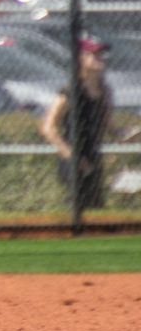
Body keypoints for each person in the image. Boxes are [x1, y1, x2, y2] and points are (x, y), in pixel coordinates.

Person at [38, 36, 124, 212]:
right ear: (81, 59)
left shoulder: (104, 90)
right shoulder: (71, 91)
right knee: (78, 208)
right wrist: (72, 156)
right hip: (74, 157)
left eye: (101, 54)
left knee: (96, 207)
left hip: (94, 155)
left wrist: (126, 134)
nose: (100, 58)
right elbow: (48, 127)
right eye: (94, 54)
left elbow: (111, 127)